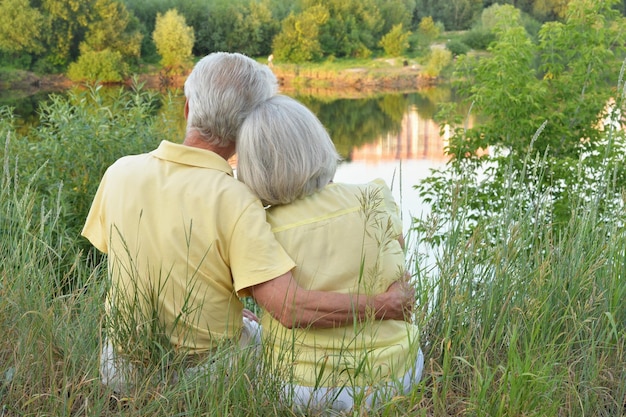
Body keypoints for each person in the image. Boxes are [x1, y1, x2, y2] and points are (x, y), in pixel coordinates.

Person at [81, 52, 413, 393]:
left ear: (187, 108)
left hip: (121, 368)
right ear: (251, 131)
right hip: (206, 377)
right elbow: (290, 307)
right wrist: (383, 304)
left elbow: (148, 262)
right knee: (271, 341)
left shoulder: (119, 172)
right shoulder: (238, 198)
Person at [236, 94, 424, 412]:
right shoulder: (375, 196)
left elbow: (288, 309)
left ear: (254, 164)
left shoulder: (259, 225)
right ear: (317, 143)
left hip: (305, 389)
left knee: (243, 335)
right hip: (399, 376)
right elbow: (397, 269)